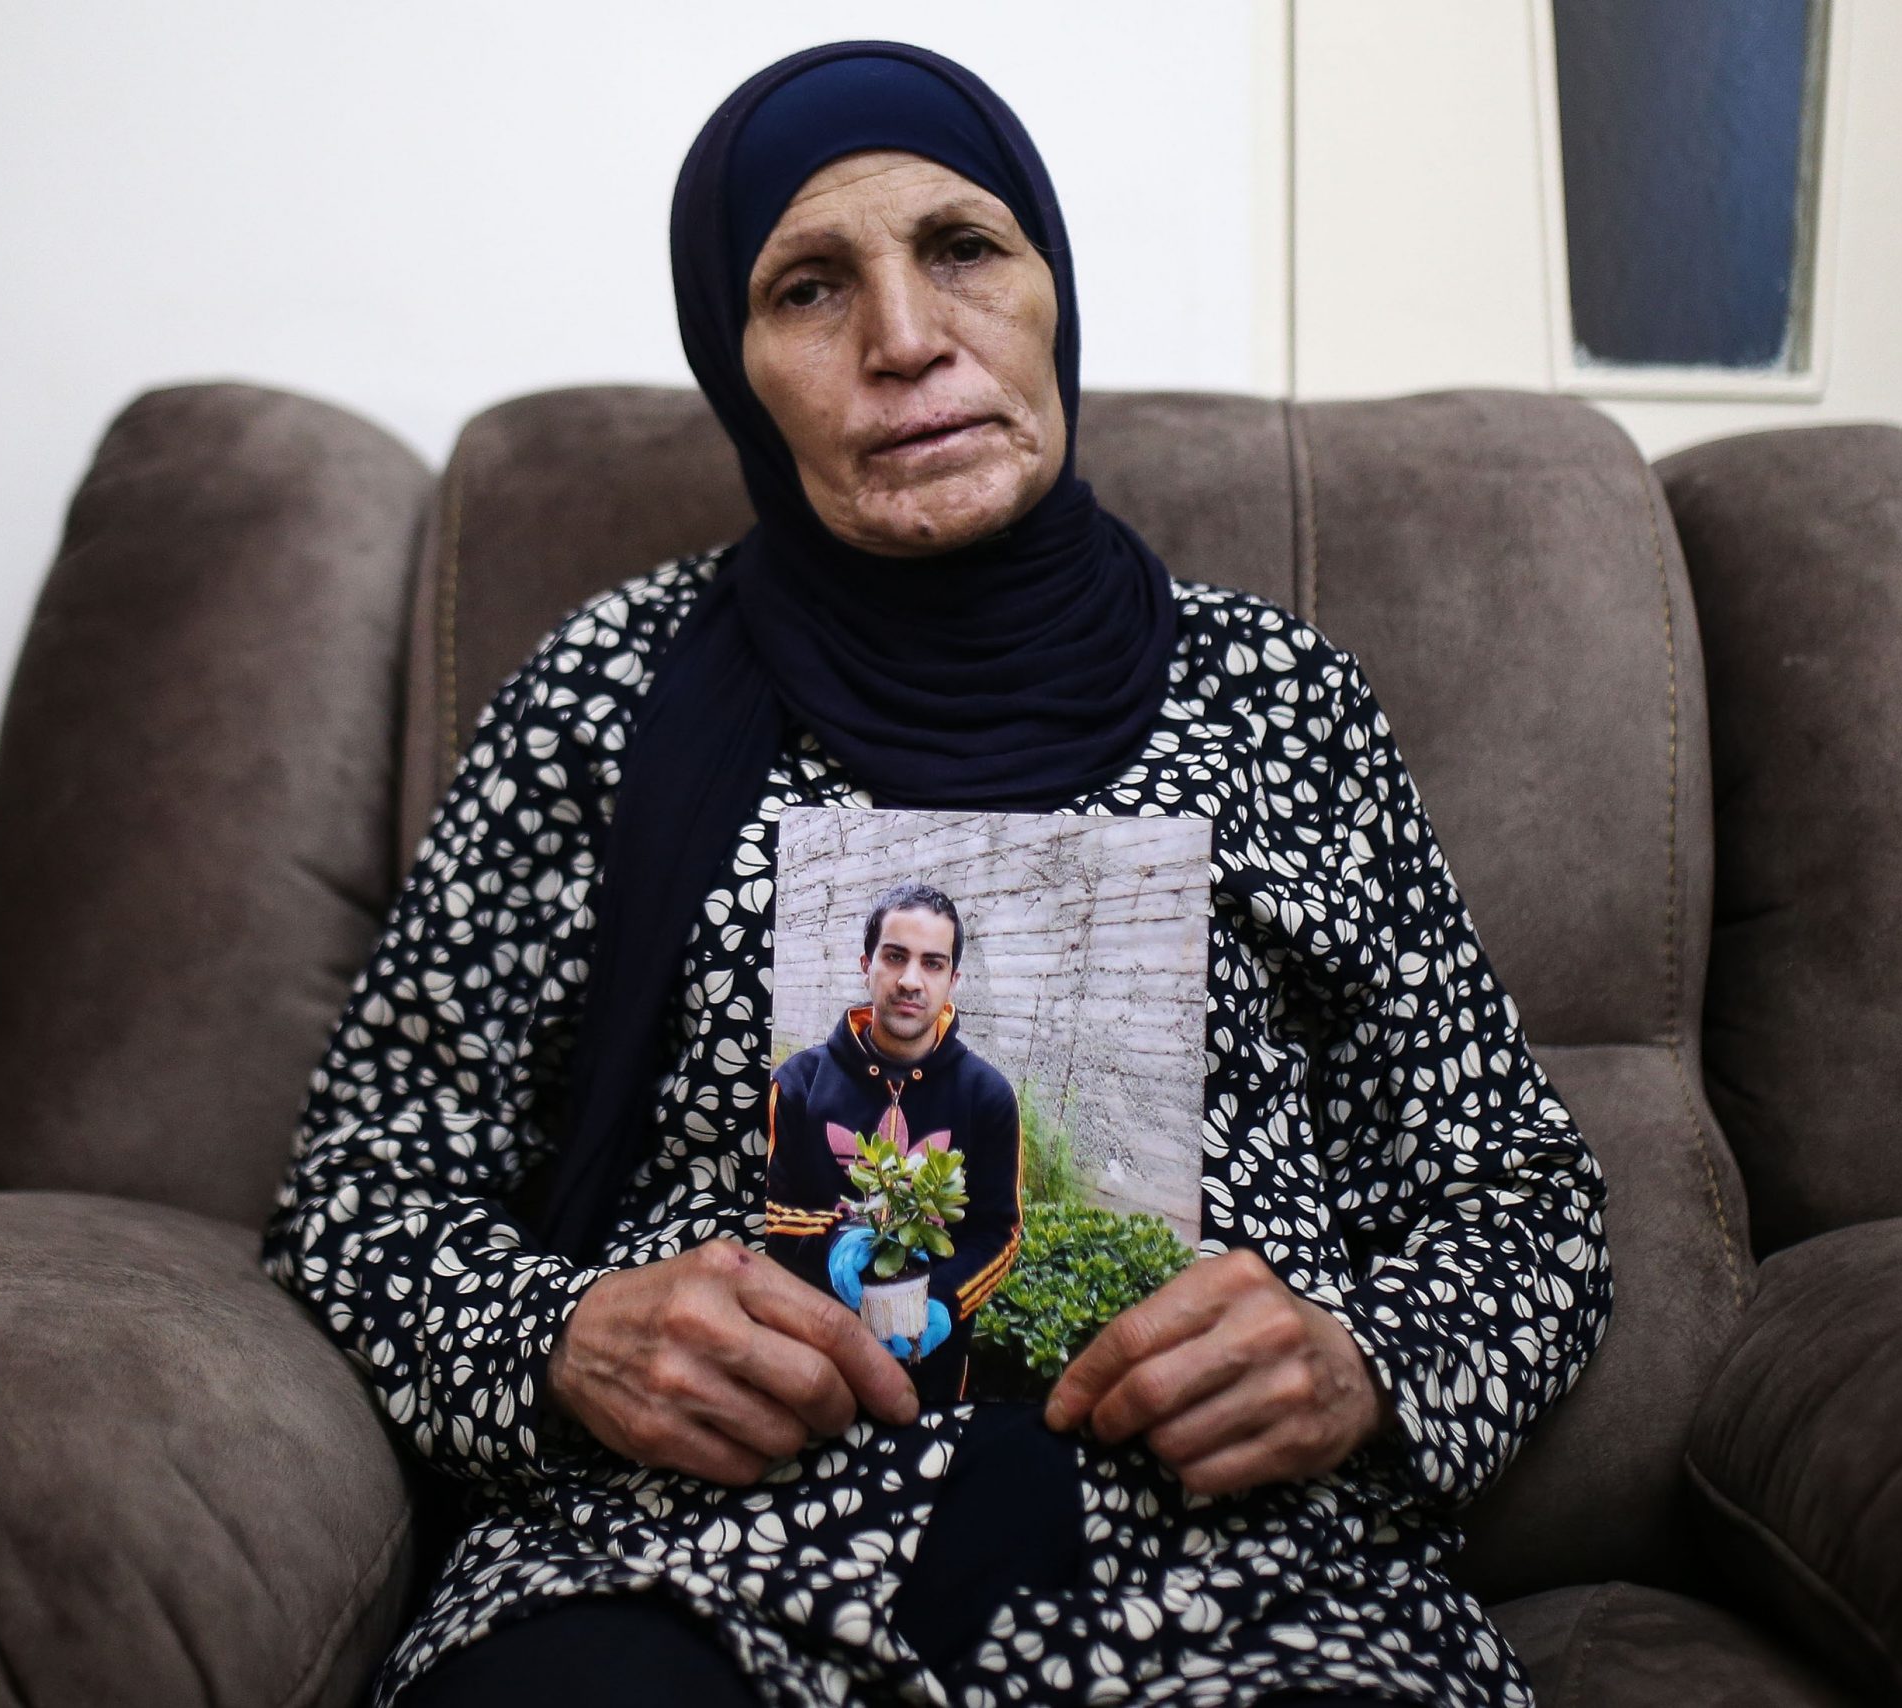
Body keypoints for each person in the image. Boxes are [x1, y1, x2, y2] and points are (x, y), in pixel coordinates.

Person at [262, 38, 1610, 1708]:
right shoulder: (608, 699)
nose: (907, 340)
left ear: (1050, 286)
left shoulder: (1283, 704)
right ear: (736, 367)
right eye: (812, 290)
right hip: (704, 1563)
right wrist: (565, 1332)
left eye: (964, 249)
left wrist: (1361, 1364)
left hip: (1247, 1588)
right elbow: (358, 1186)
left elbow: (1520, 1197)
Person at [765, 881, 1024, 1407]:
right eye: (895, 956)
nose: (910, 980)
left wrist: (945, 1303)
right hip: (808, 1356)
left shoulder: (989, 1097)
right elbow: (764, 1213)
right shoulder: (796, 1083)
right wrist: (834, 1241)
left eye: (932, 964)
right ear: (867, 964)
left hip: (931, 1369)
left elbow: (1001, 1232)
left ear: (954, 980)